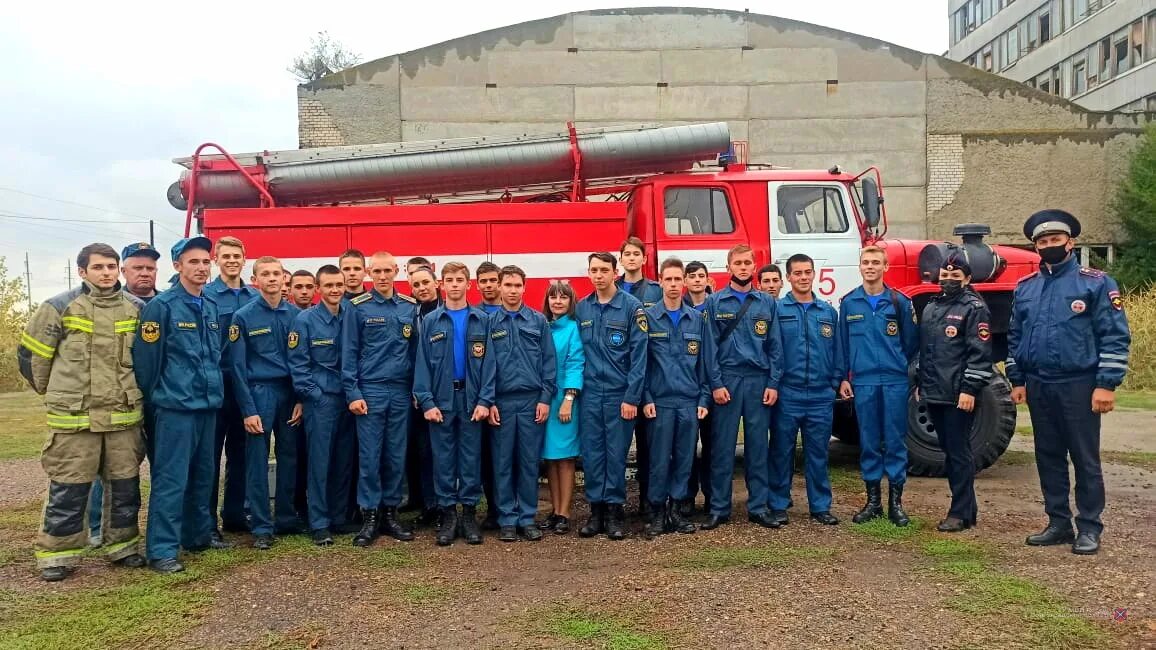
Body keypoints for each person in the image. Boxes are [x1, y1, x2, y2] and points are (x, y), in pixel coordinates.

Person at [19, 243, 147, 581]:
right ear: (82, 272)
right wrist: (58, 394)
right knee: (69, 488)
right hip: (75, 420)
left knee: (125, 488)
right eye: (98, 267)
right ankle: (56, 555)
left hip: (122, 418)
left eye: (111, 266)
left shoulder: (136, 308)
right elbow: (32, 358)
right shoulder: (59, 307)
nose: (106, 273)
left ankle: (123, 546)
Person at [1009, 209, 1131, 555]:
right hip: (1038, 383)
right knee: (1047, 455)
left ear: (1070, 243)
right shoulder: (1026, 288)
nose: (1049, 245)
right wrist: (1017, 378)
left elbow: (1115, 336)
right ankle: (1058, 522)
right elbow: (1016, 337)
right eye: (1042, 241)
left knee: (1084, 457)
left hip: (1079, 383)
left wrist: (1106, 384)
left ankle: (1089, 527)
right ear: (1035, 246)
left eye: (1055, 240)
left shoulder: (1095, 283)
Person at [134, 236, 227, 573]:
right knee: (172, 480)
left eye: (205, 262)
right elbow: (147, 364)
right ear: (177, 266)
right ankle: (161, 550)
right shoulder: (162, 307)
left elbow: (216, 357)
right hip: (175, 408)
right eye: (193, 262)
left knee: (204, 476)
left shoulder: (212, 306)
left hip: (207, 406)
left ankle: (196, 536)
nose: (201, 268)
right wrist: (159, 401)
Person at [413, 262, 496, 546]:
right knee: (444, 460)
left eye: (460, 279)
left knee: (471, 459)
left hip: (472, 400)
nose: (455, 284)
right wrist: (426, 401)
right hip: (442, 401)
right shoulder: (431, 322)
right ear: (442, 284)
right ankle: (448, 516)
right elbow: (421, 364)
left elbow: (489, 365)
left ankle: (469, 516)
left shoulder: (482, 320)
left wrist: (485, 400)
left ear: (468, 284)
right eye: (449, 280)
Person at [342, 252, 419, 546]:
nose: (383, 276)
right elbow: (348, 353)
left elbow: (414, 353)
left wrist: (415, 390)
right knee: (370, 456)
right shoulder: (358, 307)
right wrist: (353, 392)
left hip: (400, 391)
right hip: (370, 391)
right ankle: (370, 517)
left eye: (388, 270)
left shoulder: (408, 307)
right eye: (377, 271)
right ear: (369, 273)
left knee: (395, 455)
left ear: (396, 271)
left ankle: (390, 513)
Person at [702, 244, 781, 530]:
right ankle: (719, 508)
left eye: (748, 262)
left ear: (754, 266)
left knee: (758, 447)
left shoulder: (766, 303)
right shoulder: (715, 302)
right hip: (728, 381)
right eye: (738, 263)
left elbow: (775, 347)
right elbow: (708, 348)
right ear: (729, 267)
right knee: (722, 448)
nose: (744, 267)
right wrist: (716, 383)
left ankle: (758, 507)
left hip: (758, 381)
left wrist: (773, 383)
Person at [88, 241, 161, 548]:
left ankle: (159, 526)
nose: (144, 273)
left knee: (162, 466)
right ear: (124, 270)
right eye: (138, 267)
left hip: (157, 400)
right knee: (108, 468)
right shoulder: (110, 305)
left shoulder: (164, 304)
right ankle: (97, 528)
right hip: (119, 401)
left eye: (150, 268)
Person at [838, 246, 918, 527]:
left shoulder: (899, 302)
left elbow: (911, 344)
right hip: (863, 381)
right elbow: (843, 345)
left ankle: (896, 504)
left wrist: (900, 369)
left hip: (894, 381)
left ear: (886, 267)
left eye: (876, 262)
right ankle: (872, 502)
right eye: (865, 262)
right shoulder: (849, 304)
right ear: (859, 267)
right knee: (869, 441)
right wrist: (844, 378)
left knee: (895, 441)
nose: (870, 267)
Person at [229, 257, 304, 549]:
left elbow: (301, 361)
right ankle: (261, 525)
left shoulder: (296, 315)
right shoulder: (243, 317)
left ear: (284, 279)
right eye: (265, 274)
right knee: (257, 460)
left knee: (289, 456)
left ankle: (285, 518)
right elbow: (237, 368)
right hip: (260, 393)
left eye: (276, 274)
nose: (272, 279)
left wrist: (301, 399)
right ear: (256, 280)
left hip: (289, 392)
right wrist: (248, 410)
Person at [916, 255, 992, 533]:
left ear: (967, 279)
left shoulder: (974, 308)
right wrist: (921, 385)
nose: (948, 280)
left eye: (956, 277)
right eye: (945, 276)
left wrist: (969, 389)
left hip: (959, 394)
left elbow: (980, 354)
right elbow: (927, 352)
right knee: (950, 452)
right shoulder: (932, 307)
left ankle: (959, 513)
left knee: (959, 454)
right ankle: (968, 511)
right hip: (934, 392)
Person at [575, 252, 648, 540]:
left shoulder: (632, 308)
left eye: (604, 270)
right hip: (591, 394)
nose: (598, 275)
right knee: (593, 456)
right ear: (589, 273)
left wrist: (632, 397)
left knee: (616, 455)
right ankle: (597, 512)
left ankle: (616, 512)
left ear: (615, 272)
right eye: (594, 270)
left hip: (620, 395)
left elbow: (639, 357)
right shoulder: (582, 308)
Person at [641, 258, 711, 539]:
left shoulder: (697, 319)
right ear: (660, 281)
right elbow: (641, 364)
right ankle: (657, 512)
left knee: (685, 458)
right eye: (667, 279)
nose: (672, 285)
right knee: (658, 460)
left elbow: (705, 364)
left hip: (688, 401)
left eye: (676, 279)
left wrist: (704, 399)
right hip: (659, 402)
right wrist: (645, 398)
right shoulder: (648, 318)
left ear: (683, 282)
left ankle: (677, 511)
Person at [771, 254, 842, 526]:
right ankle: (778, 504)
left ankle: (820, 506)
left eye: (807, 272)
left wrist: (833, 382)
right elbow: (772, 350)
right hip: (788, 393)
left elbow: (837, 351)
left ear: (814, 275)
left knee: (818, 453)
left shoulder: (827, 312)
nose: (803, 277)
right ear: (788, 277)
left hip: (820, 395)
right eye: (797, 273)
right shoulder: (778, 310)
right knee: (781, 452)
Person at [487, 265, 557, 542]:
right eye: (508, 285)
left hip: (531, 401)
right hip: (502, 403)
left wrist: (545, 399)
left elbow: (549, 363)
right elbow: (485, 366)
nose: (513, 291)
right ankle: (506, 519)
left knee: (528, 463)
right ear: (500, 288)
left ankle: (527, 518)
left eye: (517, 286)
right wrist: (489, 401)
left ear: (524, 288)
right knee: (503, 463)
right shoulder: (489, 323)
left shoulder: (538, 321)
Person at [288, 265, 356, 546]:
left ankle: (338, 517)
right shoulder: (305, 320)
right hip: (321, 401)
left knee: (343, 461)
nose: (335, 290)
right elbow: (298, 364)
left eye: (339, 285)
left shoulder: (350, 315)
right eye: (328, 285)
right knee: (319, 462)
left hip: (348, 399)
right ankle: (318, 523)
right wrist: (313, 396)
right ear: (319, 288)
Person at [204, 236, 258, 540]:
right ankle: (207, 522)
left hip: (246, 387)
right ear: (216, 260)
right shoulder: (207, 295)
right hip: (218, 384)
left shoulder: (254, 297)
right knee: (210, 457)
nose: (232, 260)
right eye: (226, 256)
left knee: (242, 454)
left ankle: (236, 515)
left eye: (237, 255)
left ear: (244, 258)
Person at [616, 237, 662, 514]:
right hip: (620, 378)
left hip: (651, 377)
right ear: (620, 259)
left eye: (636, 254)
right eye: (627, 254)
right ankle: (616, 504)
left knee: (649, 447)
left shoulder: (656, 291)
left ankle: (648, 503)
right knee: (618, 448)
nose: (631, 258)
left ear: (644, 259)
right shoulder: (613, 288)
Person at [540, 281, 585, 535]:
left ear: (571, 302)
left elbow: (575, 363)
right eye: (553, 297)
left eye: (563, 298)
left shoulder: (572, 329)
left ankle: (565, 513)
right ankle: (554, 510)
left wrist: (569, 397)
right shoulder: (543, 326)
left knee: (565, 459)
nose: (557, 301)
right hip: (545, 400)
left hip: (564, 401)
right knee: (550, 459)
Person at [402, 265, 441, 527]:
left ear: (436, 282)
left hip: (446, 395)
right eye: (416, 285)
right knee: (423, 452)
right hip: (418, 395)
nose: (422, 288)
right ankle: (430, 506)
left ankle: (447, 506)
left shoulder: (449, 313)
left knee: (444, 454)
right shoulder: (409, 315)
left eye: (426, 282)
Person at [681, 260, 713, 516]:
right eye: (692, 276)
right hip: (687, 388)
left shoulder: (716, 307)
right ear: (685, 281)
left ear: (707, 279)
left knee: (713, 445)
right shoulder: (680, 308)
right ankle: (688, 497)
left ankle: (712, 496)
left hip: (713, 386)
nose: (697, 280)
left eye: (701, 276)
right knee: (687, 449)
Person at [474, 260, 503, 530]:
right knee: (485, 457)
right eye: (483, 281)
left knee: (504, 457)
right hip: (481, 397)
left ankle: (507, 508)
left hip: (507, 395)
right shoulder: (475, 315)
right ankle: (493, 509)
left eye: (493, 280)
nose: (489, 285)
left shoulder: (508, 313)